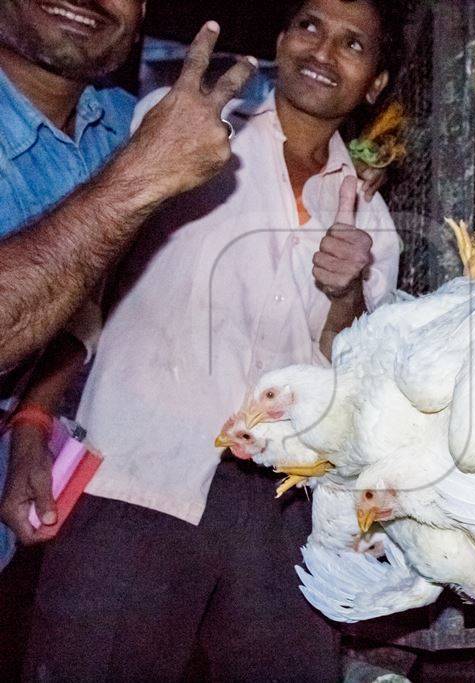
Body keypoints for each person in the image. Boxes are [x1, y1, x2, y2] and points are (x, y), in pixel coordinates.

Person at [19, 0, 406, 679]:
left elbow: (345, 379)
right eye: (309, 26)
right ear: (282, 38)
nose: (322, 51)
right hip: (139, 475)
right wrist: (32, 420)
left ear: (374, 83)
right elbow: (89, 294)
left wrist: (347, 292)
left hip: (285, 512)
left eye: (353, 44)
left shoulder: (375, 223)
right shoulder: (179, 131)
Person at [0, 0, 256, 568]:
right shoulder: (143, 148)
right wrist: (140, 174)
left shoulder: (125, 121)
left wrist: (33, 421)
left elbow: (92, 301)